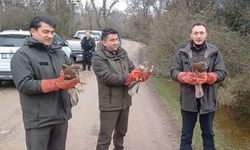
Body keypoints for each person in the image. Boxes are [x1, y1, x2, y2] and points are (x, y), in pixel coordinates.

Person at [10, 16, 79, 150]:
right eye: (45, 32)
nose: (50, 36)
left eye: (52, 32)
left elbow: (70, 70)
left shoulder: (58, 52)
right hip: (38, 121)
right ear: (33, 31)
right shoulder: (22, 55)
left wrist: (73, 77)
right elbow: (25, 85)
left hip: (60, 117)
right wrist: (56, 84)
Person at [170, 22, 226, 150]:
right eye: (196, 33)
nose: (198, 36)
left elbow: (222, 73)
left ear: (206, 35)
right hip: (188, 100)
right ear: (191, 35)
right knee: (186, 136)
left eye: (201, 33)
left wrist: (209, 77)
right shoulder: (182, 52)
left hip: (208, 101)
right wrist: (184, 77)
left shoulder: (215, 52)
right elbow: (173, 71)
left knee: (208, 135)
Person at [92, 28, 150, 150]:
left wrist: (140, 75)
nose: (116, 42)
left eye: (117, 39)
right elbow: (108, 78)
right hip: (109, 104)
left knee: (121, 133)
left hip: (125, 102)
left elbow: (132, 68)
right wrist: (129, 77)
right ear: (104, 42)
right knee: (105, 137)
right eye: (112, 40)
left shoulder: (122, 53)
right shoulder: (98, 58)